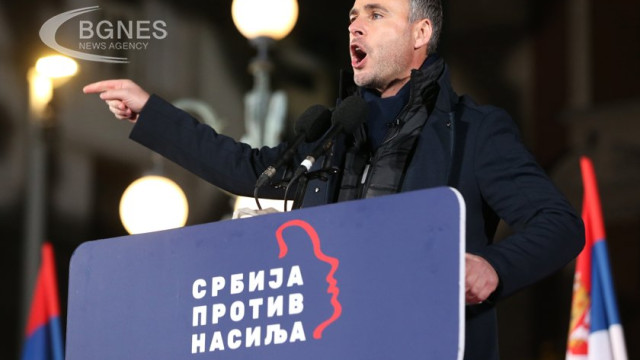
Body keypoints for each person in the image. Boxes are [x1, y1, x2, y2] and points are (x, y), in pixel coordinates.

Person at [83, 0, 584, 358]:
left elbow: (558, 224)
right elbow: (247, 169)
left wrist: (493, 267)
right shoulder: (331, 133)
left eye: (375, 13)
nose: (355, 26)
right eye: (351, 16)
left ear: (420, 34)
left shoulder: (474, 130)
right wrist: (151, 113)